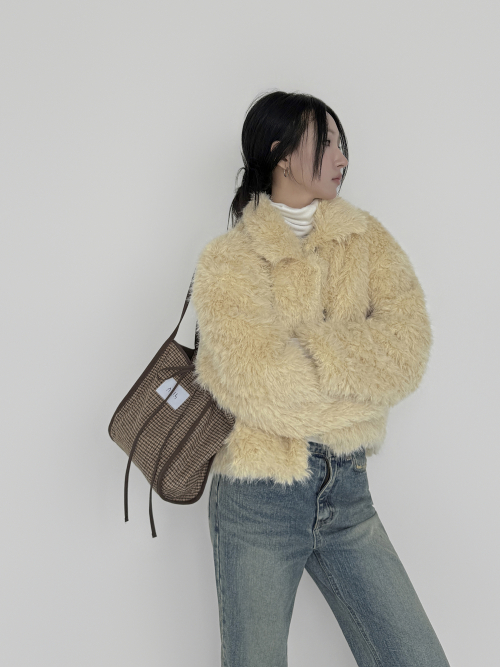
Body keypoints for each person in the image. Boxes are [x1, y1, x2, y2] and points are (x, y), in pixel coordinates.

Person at [190, 90, 450, 667]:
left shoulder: (367, 240)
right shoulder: (228, 259)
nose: (342, 157)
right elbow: (253, 380)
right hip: (259, 498)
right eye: (327, 142)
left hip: (348, 491)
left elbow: (408, 347)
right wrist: (359, 380)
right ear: (283, 154)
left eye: (341, 143)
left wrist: (311, 357)